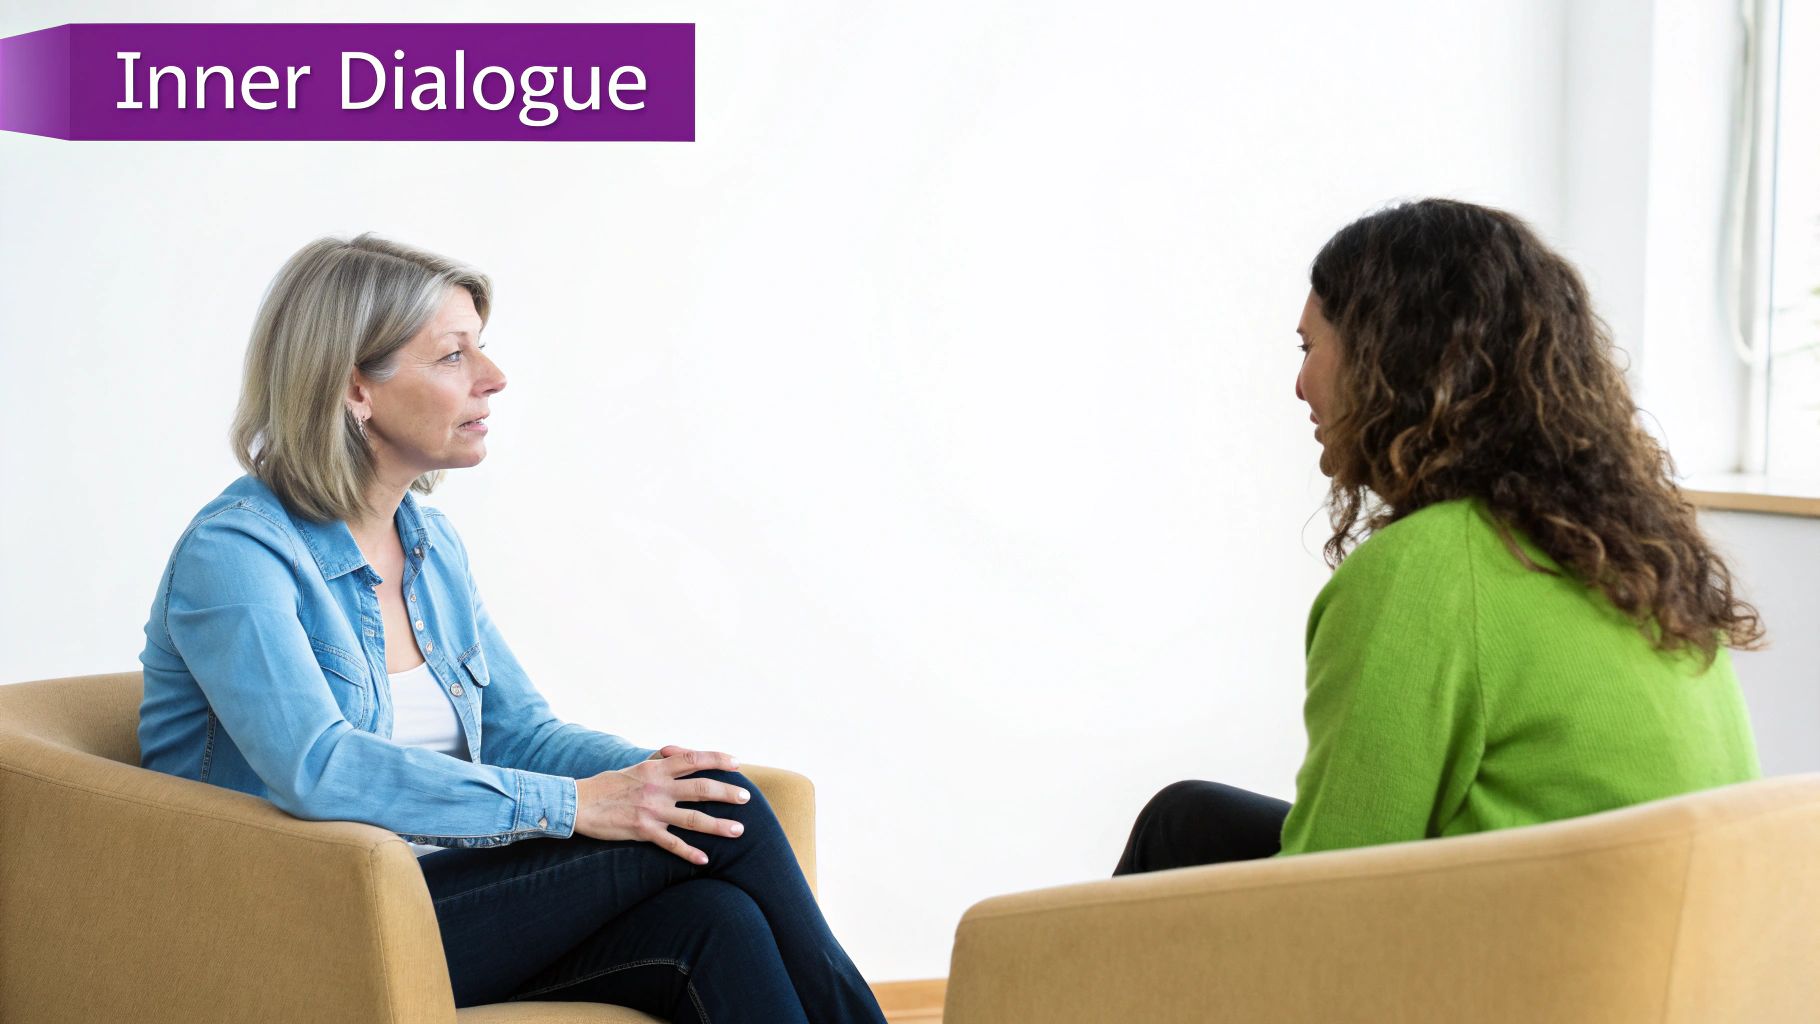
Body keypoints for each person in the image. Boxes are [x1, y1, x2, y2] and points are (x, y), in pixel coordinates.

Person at [138, 234, 887, 1024]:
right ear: (356, 387)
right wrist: (574, 806)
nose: (494, 380)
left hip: (438, 901)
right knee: (727, 817)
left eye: (481, 350)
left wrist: (646, 777)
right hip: (310, 922)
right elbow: (317, 766)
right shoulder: (237, 553)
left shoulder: (428, 544)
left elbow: (517, 731)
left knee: (717, 899)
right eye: (453, 356)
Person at [1114, 198, 1764, 875]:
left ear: (1386, 360)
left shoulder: (1426, 569)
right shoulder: (1637, 557)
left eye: (1310, 349)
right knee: (1187, 822)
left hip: (1522, 964)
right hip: (1665, 955)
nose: (1299, 385)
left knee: (1175, 853)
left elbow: (1331, 895)